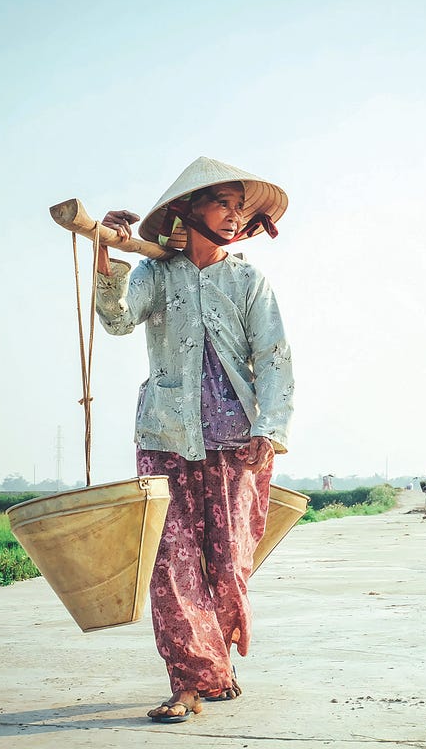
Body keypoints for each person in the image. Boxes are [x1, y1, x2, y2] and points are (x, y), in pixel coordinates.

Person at [94, 156, 294, 723]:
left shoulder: (247, 280)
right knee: (172, 565)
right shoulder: (156, 275)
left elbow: (273, 358)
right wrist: (107, 250)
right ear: (188, 210)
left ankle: (216, 666)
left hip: (234, 441)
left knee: (227, 563)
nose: (232, 217)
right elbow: (116, 319)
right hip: (166, 437)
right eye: (221, 204)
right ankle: (188, 683)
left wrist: (269, 431)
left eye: (238, 207)